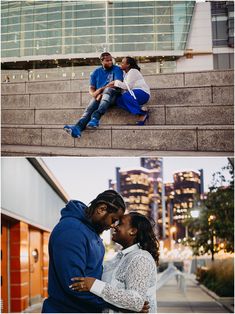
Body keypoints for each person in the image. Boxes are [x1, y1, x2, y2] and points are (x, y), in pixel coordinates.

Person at [42, 190, 126, 313]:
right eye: (113, 219)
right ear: (102, 209)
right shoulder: (72, 231)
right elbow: (74, 285)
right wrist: (119, 303)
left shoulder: (91, 231)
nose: (113, 225)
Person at [70, 212, 159, 313]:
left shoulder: (141, 258)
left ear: (133, 231)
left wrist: (94, 285)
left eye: (120, 223)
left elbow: (136, 301)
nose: (114, 226)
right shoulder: (117, 259)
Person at [64, 52, 123, 138]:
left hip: (113, 95)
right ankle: (77, 128)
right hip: (99, 97)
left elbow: (116, 83)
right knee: (89, 109)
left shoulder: (117, 69)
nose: (110, 62)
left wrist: (100, 91)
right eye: (107, 60)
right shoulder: (96, 72)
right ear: (102, 61)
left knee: (108, 90)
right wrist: (95, 94)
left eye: (111, 60)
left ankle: (96, 117)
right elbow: (91, 88)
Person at [107, 57, 151, 125]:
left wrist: (115, 82)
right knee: (118, 100)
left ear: (128, 65)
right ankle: (141, 112)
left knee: (126, 95)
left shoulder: (133, 71)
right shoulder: (126, 74)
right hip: (133, 95)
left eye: (122, 63)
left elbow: (127, 86)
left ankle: (143, 113)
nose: (120, 64)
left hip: (143, 94)